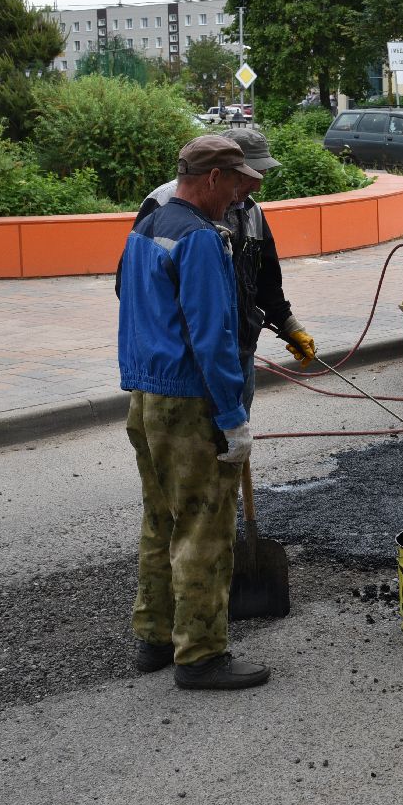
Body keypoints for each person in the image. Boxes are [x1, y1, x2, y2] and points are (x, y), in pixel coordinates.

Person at [117, 135, 270, 691]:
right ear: (211, 179)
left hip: (145, 397)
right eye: (235, 183)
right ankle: (200, 654)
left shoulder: (145, 228)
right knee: (205, 527)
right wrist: (231, 416)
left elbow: (129, 306)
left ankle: (155, 638)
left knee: (161, 520)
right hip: (190, 402)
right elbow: (213, 336)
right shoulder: (202, 239)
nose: (239, 196)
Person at [133, 127, 318, 405]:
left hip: (237, 353)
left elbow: (265, 279)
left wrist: (288, 324)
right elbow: (134, 286)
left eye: (261, 176)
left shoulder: (251, 210)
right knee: (194, 444)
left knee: (235, 440)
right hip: (183, 364)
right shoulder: (164, 204)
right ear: (218, 174)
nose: (257, 186)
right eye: (250, 176)